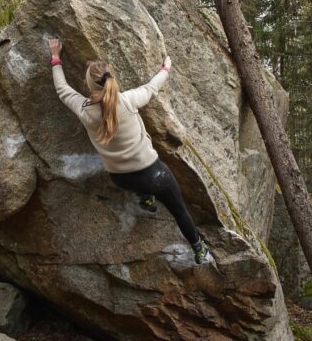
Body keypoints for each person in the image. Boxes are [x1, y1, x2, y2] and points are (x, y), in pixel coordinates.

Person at [48, 37, 211, 264]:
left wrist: (56, 58)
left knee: (139, 184)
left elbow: (62, 90)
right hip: (155, 174)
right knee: (179, 210)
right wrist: (166, 68)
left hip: (121, 178)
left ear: (88, 85)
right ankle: (199, 250)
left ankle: (146, 200)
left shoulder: (84, 110)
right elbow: (152, 87)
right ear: (112, 79)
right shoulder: (127, 100)